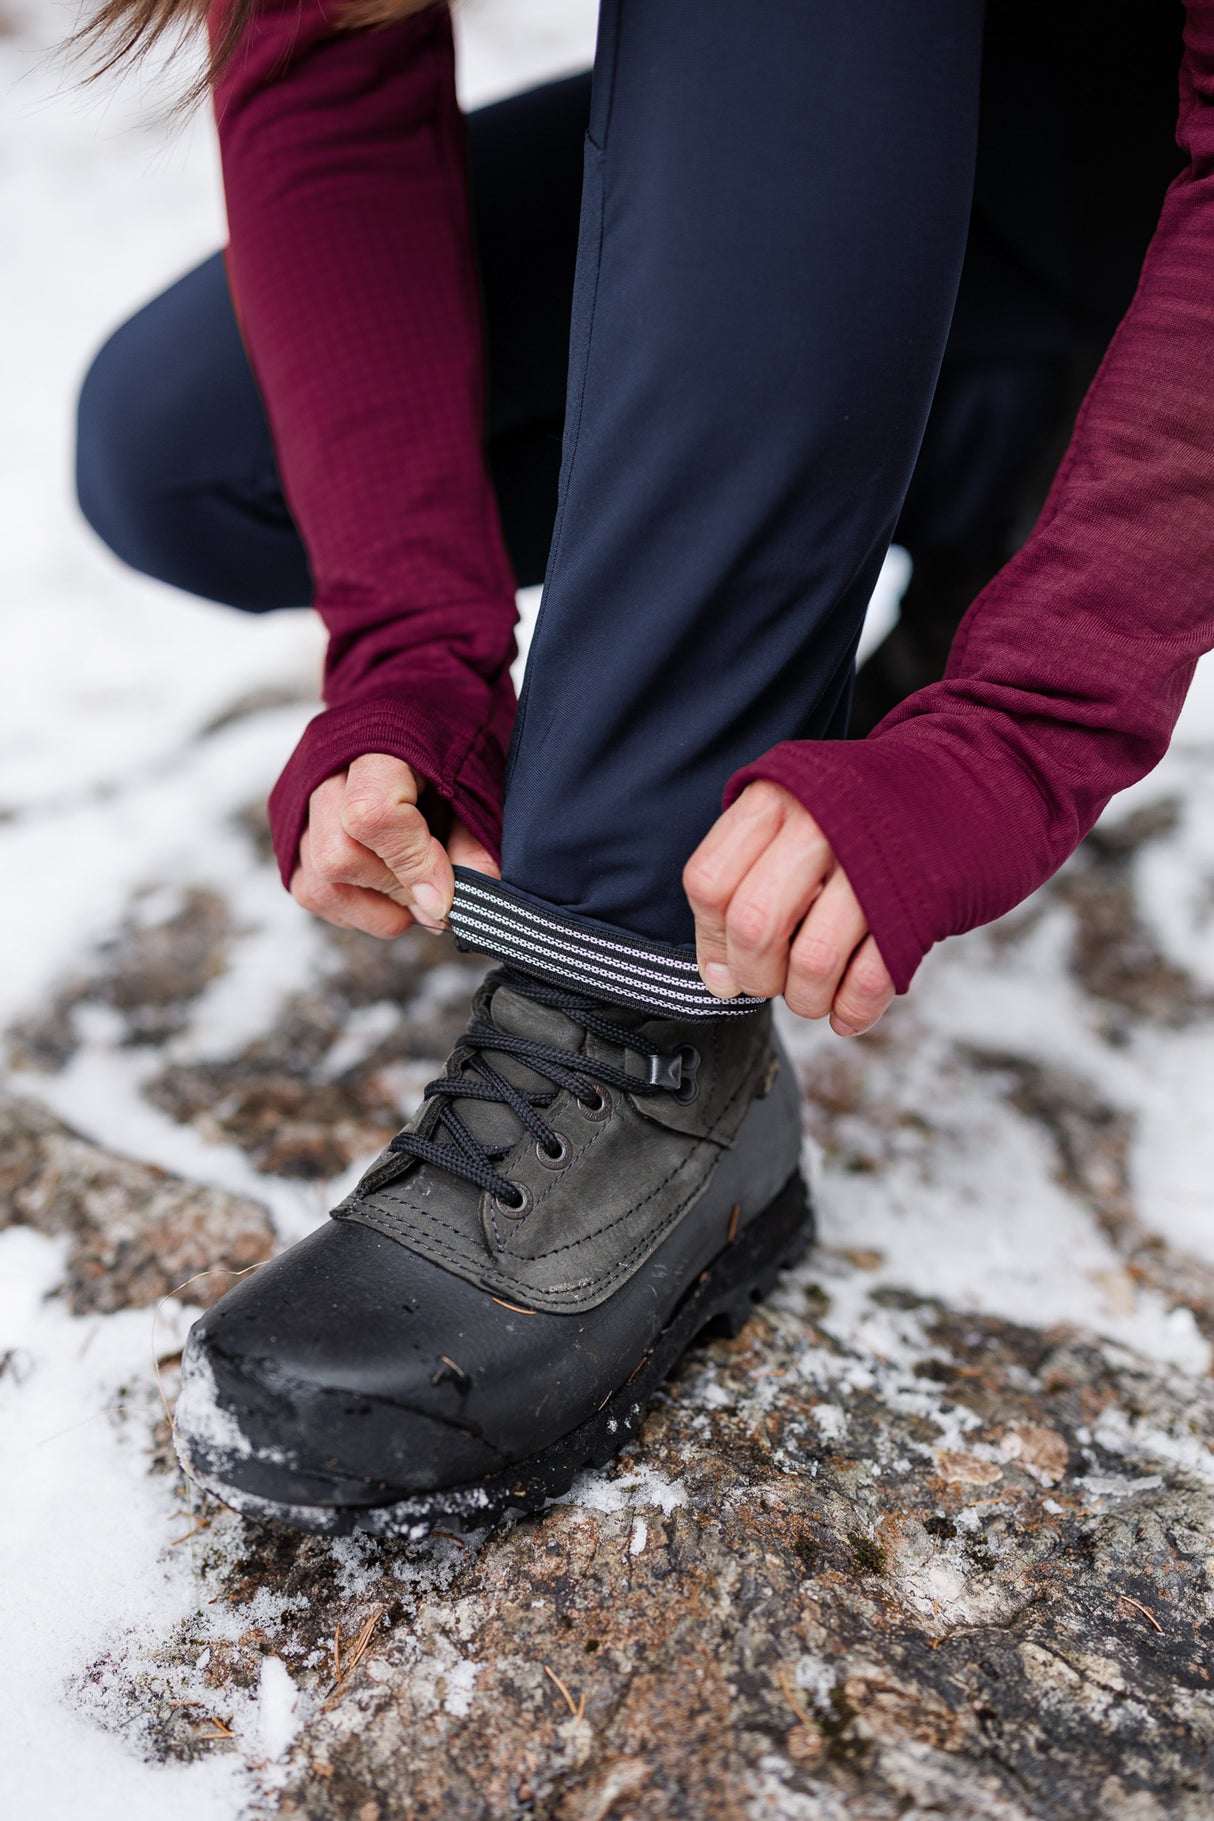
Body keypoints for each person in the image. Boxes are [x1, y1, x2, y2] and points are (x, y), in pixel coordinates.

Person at [74, 0, 1210, 1537]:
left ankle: (640, 1033)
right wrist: (409, 648)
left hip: (1133, 169)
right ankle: (1003, 441)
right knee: (188, 452)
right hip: (914, 165)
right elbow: (326, 66)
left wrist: (1032, 710)